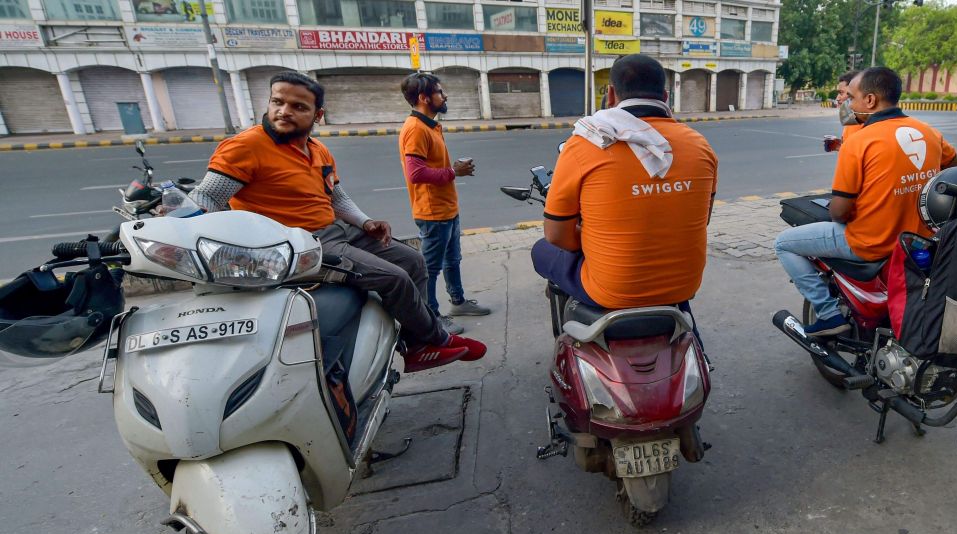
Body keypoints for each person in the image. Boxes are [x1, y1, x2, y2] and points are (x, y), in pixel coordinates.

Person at [188, 71, 485, 371]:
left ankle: (416, 343)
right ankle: (438, 340)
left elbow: (337, 198)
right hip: (302, 244)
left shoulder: (318, 150)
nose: (284, 111)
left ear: (317, 115)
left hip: (338, 230)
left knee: (414, 262)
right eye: (277, 102)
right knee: (394, 279)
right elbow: (207, 198)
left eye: (298, 107)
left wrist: (366, 222)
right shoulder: (245, 146)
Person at [774, 66, 957, 336]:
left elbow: (839, 212)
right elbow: (955, 167)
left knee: (784, 243)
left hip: (870, 243)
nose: (848, 104)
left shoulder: (859, 141)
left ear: (870, 100)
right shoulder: (927, 132)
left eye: (851, 97)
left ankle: (828, 315)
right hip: (918, 239)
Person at [533, 54, 718, 312]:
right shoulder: (700, 146)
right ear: (665, 97)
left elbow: (556, 235)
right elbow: (701, 218)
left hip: (611, 292)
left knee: (541, 250)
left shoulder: (584, 143)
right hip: (684, 286)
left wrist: (598, 242)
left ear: (611, 95)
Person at [399, 72, 492, 337]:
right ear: (423, 97)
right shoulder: (415, 130)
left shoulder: (430, 125)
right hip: (432, 213)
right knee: (430, 269)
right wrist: (454, 172)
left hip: (447, 208)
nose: (445, 95)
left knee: (453, 260)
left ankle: (458, 302)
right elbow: (415, 174)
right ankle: (432, 316)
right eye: (440, 92)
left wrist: (452, 171)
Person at [825, 70, 861, 153]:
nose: (837, 98)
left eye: (841, 93)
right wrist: (840, 146)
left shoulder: (864, 124)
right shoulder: (851, 121)